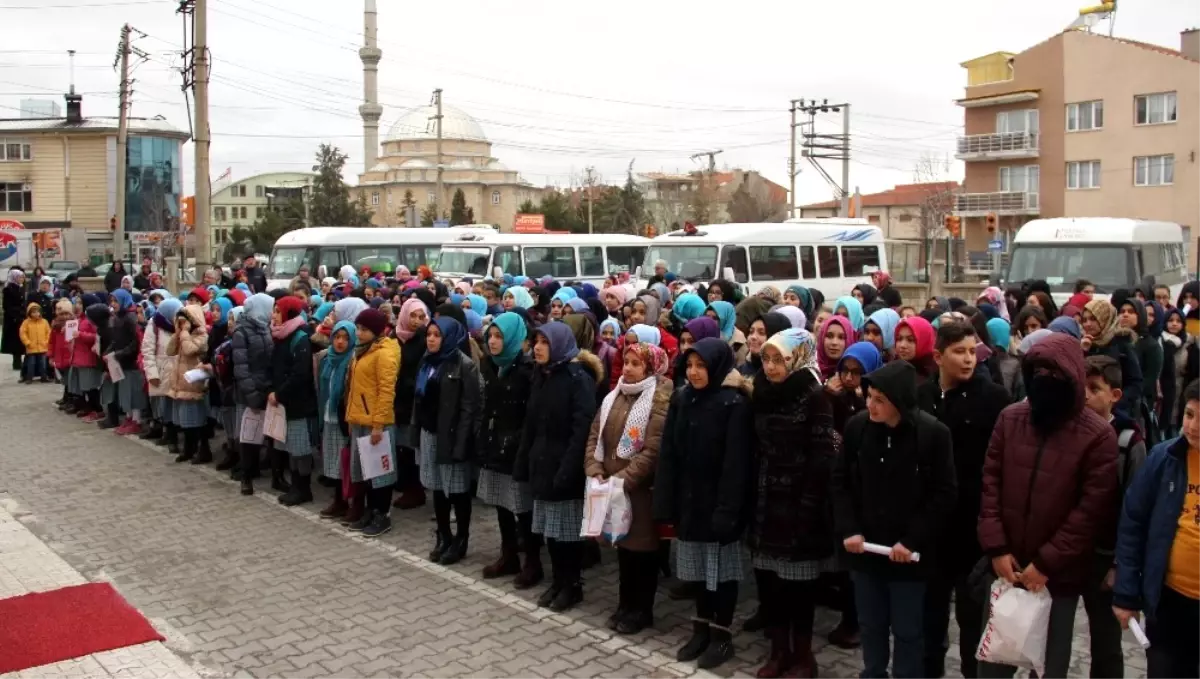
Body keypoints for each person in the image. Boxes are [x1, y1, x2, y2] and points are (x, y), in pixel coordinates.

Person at [977, 333, 1119, 679]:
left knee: (1048, 668)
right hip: (1006, 570)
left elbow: (1089, 512)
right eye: (1038, 371)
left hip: (1057, 579)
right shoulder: (1010, 419)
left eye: (1055, 374)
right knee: (993, 665)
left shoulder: (1098, 436)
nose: (1046, 381)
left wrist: (1046, 563)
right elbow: (990, 484)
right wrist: (996, 548)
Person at [832, 360, 956, 679]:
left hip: (909, 558)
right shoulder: (857, 428)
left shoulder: (932, 434)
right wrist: (850, 529)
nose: (870, 405)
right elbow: (840, 482)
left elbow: (943, 494)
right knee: (871, 625)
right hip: (866, 552)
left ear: (898, 401)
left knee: (907, 630)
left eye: (879, 400)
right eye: (869, 397)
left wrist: (912, 539)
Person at [653, 338, 754, 669]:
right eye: (690, 365)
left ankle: (721, 636)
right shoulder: (682, 398)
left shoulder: (734, 405)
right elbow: (668, 453)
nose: (694, 372)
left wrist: (728, 511)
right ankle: (700, 628)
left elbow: (736, 464)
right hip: (690, 501)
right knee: (696, 570)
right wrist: (665, 501)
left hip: (719, 504)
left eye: (702, 366)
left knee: (721, 573)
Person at [916, 322, 1009, 679]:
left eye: (973, 351)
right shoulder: (922, 397)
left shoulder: (994, 399)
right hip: (931, 530)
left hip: (973, 531)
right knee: (930, 617)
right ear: (939, 356)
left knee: (973, 621)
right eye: (959, 352)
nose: (969, 359)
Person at [748, 329, 838, 679]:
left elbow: (822, 457)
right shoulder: (761, 392)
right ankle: (778, 651)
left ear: (796, 358)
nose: (770, 367)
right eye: (767, 359)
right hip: (765, 502)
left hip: (800, 505)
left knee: (798, 589)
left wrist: (809, 506)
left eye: (778, 359)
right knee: (770, 584)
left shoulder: (814, 396)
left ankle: (803, 657)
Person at [1113, 378, 1200, 678]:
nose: (1193, 426)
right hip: (1168, 601)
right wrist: (1126, 594)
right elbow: (1132, 523)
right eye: (1189, 415)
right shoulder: (1164, 459)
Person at [585, 341, 672, 635]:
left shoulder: (659, 399)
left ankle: (641, 610)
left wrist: (623, 480)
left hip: (639, 492)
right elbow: (595, 435)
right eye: (627, 362)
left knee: (642, 553)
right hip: (610, 486)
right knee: (622, 549)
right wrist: (595, 471)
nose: (629, 369)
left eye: (636, 364)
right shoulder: (614, 396)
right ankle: (625, 604)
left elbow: (651, 450)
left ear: (651, 367)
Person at [514, 322, 601, 612]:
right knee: (550, 531)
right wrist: (523, 461)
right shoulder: (542, 375)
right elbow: (531, 423)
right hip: (542, 463)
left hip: (565, 467)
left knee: (567, 534)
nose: (537, 347)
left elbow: (583, 429)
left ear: (559, 344)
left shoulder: (578, 379)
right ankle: (558, 581)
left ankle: (572, 585)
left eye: (544, 342)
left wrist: (567, 470)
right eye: (535, 341)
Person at [1080, 355, 1145, 679]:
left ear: (1115, 395)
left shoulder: (1128, 441)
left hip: (1104, 559)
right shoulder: (1069, 429)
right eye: (1082, 388)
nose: (1086, 396)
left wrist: (1121, 565)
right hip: (1068, 552)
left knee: (1105, 644)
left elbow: (1136, 511)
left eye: (1095, 389)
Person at [413, 317, 483, 565]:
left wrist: (461, 444)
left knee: (457, 490)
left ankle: (461, 539)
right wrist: (415, 432)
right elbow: (418, 400)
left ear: (450, 337)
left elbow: (470, 409)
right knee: (437, 488)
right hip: (430, 433)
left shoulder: (464, 365)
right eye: (429, 334)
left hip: (452, 438)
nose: (431, 339)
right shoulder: (426, 361)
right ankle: (443, 534)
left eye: (437, 335)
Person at [476, 313, 538, 583]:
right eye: (490, 335)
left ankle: (533, 563)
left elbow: (531, 414)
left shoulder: (527, 371)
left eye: (499, 336)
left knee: (522, 508)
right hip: (493, 443)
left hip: (516, 448)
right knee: (501, 503)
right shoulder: (488, 365)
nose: (492, 341)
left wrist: (517, 440)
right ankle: (508, 555)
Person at [343, 309, 401, 537]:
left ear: (376, 331)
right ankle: (370, 510)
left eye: (364, 329)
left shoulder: (384, 353)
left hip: (377, 422)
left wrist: (378, 424)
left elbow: (386, 391)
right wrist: (351, 418)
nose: (359, 333)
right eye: (358, 328)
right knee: (367, 471)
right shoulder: (362, 351)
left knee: (380, 472)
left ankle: (382, 514)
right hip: (360, 419)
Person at [269, 295, 318, 506]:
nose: (274, 315)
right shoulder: (281, 336)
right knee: (292, 448)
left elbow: (300, 374)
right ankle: (296, 486)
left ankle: (303, 488)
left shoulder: (300, 338)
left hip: (299, 404)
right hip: (286, 404)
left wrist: (280, 393)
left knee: (301, 449)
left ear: (289, 313)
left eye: (278, 311)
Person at [233, 293, 275, 495]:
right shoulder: (241, 331)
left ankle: (271, 475)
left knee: (268, 434)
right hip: (249, 391)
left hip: (266, 388)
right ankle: (246, 477)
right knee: (249, 436)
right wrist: (252, 395)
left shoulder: (264, 327)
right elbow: (241, 367)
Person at [392, 297, 430, 511]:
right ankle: (405, 483)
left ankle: (414, 490)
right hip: (395, 400)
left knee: (409, 447)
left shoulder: (424, 338)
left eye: (421, 316)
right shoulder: (395, 336)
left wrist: (406, 382)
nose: (416, 321)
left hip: (412, 401)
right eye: (413, 316)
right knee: (400, 445)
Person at [1082, 298, 1144, 422]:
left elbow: (1135, 383)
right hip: (1087, 413)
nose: (1087, 324)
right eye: (1084, 320)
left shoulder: (1121, 345)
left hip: (1116, 414)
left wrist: (1113, 404)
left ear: (1105, 318)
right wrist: (1082, 351)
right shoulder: (1084, 344)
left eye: (1093, 319)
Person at [167, 305, 210, 463]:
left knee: (197, 420)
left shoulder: (202, 335)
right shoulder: (182, 335)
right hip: (182, 384)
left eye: (185, 321)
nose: (182, 324)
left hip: (194, 383)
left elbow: (189, 350)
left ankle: (203, 449)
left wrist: (184, 333)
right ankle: (188, 449)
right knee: (185, 422)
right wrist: (177, 334)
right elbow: (170, 350)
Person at [107, 289, 148, 435]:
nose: (113, 304)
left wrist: (120, 353)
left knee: (134, 392)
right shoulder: (117, 317)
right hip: (122, 361)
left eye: (116, 301)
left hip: (132, 362)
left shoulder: (131, 317)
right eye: (111, 301)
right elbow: (116, 339)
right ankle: (129, 417)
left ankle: (136, 420)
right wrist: (110, 352)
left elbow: (136, 342)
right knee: (125, 392)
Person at [18, 301, 51, 384]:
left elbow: (49, 333)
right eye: (33, 312)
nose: (36, 314)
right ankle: (29, 377)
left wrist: (46, 342)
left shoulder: (44, 322)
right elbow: (22, 333)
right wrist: (27, 343)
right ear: (29, 313)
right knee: (31, 364)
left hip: (43, 347)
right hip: (31, 347)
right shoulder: (26, 323)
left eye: (37, 312)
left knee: (43, 364)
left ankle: (44, 377)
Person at [3, 269, 27, 370]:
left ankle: (19, 361)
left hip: (21, 317)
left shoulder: (20, 288)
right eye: (20, 277)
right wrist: (16, 315)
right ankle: (16, 362)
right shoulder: (9, 289)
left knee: (21, 340)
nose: (22, 279)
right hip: (13, 319)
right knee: (15, 341)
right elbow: (7, 306)